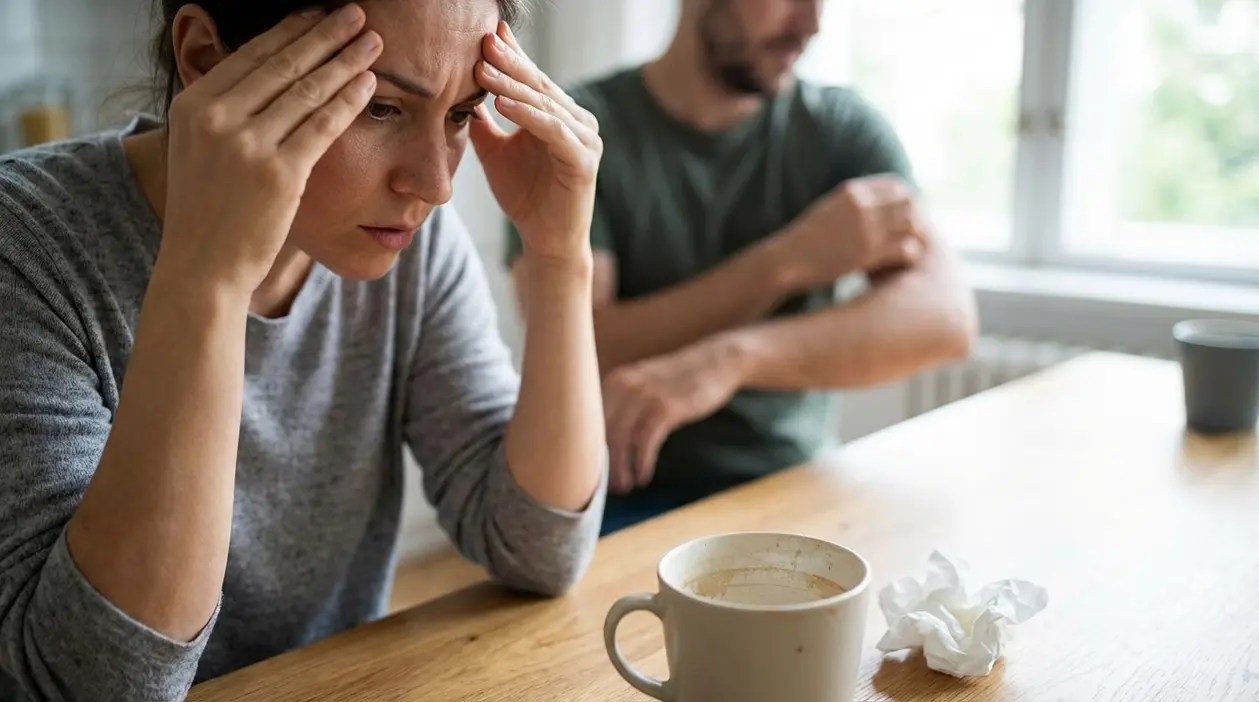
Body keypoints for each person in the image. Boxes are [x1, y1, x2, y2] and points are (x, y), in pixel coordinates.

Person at [0, 0, 607, 698]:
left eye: (461, 114)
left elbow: (537, 546)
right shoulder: (24, 248)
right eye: (380, 108)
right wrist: (210, 276)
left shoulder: (409, 248)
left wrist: (560, 256)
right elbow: (96, 684)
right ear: (205, 59)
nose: (434, 186)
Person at [506, 0, 978, 535]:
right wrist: (787, 261)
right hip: (617, 500)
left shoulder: (842, 130)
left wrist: (729, 361)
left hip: (794, 484)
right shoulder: (580, 130)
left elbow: (945, 319)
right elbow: (584, 345)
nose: (811, 25)